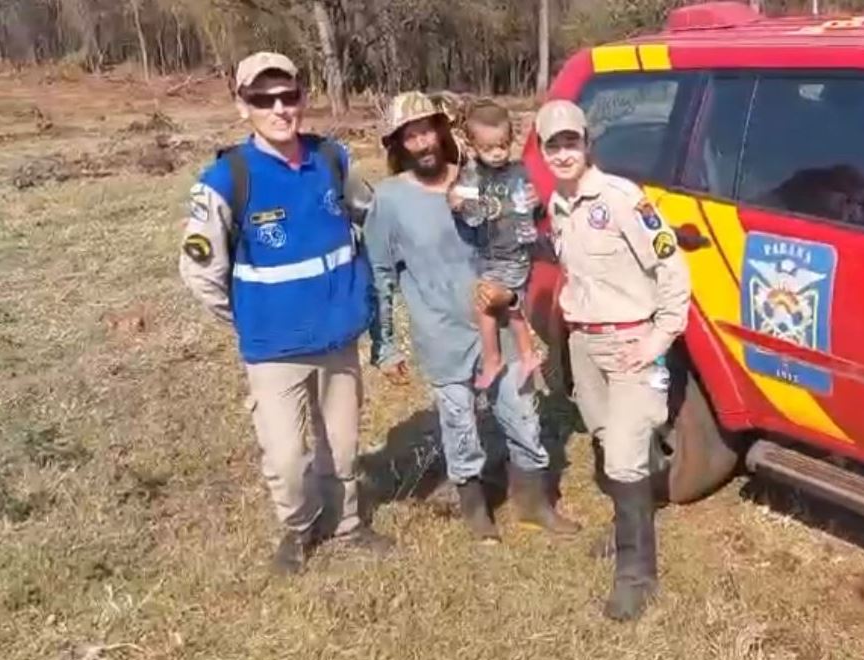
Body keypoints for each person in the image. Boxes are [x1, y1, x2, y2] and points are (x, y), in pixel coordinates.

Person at [179, 51, 392, 575]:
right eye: (263, 99)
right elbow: (200, 272)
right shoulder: (226, 178)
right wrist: (251, 319)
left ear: (304, 97)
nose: (279, 109)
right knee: (287, 460)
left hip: (338, 341)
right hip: (274, 350)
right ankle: (298, 530)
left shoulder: (333, 159)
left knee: (341, 451)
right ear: (242, 106)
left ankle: (345, 527)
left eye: (288, 96)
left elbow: (376, 216)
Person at [363, 91, 580, 543]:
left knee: (523, 415)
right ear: (398, 144)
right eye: (410, 136)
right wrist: (385, 345)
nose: (422, 144)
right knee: (459, 424)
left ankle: (534, 503)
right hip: (441, 336)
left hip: (499, 328)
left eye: (428, 131)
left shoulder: (482, 179)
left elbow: (519, 244)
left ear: (443, 133)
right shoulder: (389, 201)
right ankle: (475, 507)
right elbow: (380, 275)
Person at [535, 100, 691, 621]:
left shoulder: (623, 199)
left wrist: (659, 338)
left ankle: (636, 573)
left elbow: (672, 267)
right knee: (606, 439)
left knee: (625, 454)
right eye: (552, 145)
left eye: (570, 142)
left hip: (631, 344)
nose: (562, 153)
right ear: (542, 150)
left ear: (587, 143)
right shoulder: (557, 205)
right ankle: (632, 519)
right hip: (586, 344)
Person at [447, 98, 542, 390]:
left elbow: (533, 199)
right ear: (473, 146)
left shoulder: (518, 172)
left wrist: (535, 200)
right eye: (488, 148)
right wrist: (457, 201)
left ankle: (492, 360)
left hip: (512, 253)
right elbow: (456, 198)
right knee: (511, 306)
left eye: (503, 145)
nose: (498, 153)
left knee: (485, 307)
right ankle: (527, 355)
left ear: (511, 140)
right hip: (489, 254)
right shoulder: (474, 173)